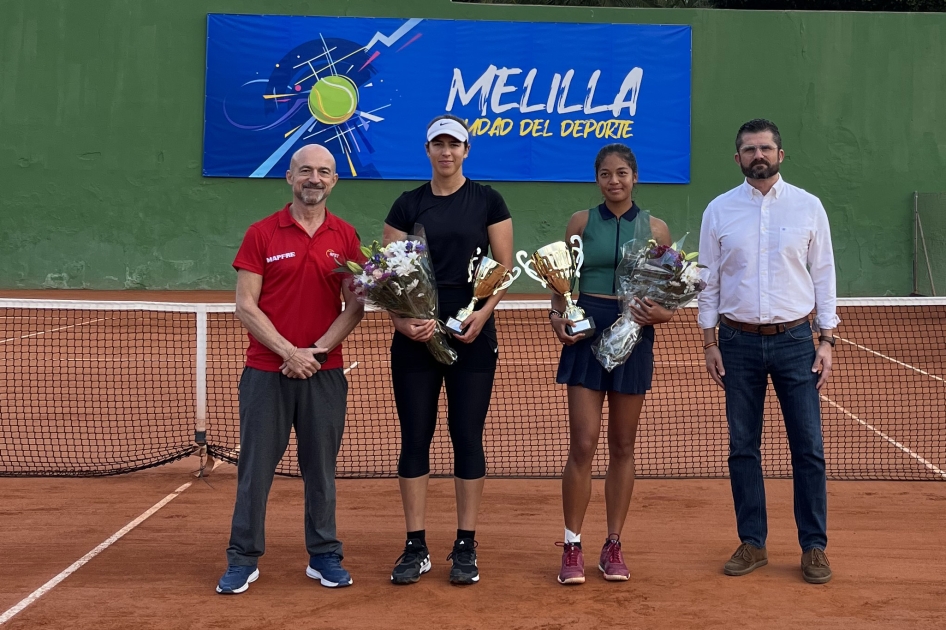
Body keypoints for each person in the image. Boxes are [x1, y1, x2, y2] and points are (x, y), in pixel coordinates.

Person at [216, 144, 365, 594]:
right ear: (289, 177)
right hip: (266, 371)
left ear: (334, 180)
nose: (313, 179)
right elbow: (246, 305)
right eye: (305, 171)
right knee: (255, 469)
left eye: (323, 172)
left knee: (321, 469)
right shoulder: (261, 233)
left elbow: (355, 306)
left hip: (324, 373)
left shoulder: (346, 236)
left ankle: (324, 555)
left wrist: (315, 352)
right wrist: (288, 353)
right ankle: (243, 557)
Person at [698, 119, 838, 584]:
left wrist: (827, 338)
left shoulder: (809, 207)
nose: (758, 155)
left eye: (766, 148)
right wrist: (710, 341)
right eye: (749, 149)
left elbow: (824, 276)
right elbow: (708, 281)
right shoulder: (718, 210)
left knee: (809, 449)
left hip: (797, 342)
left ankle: (814, 547)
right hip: (736, 344)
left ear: (781, 154)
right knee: (743, 448)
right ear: (736, 158)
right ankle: (753, 543)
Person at [382, 115, 514, 585]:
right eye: (438, 143)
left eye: (453, 144)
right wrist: (402, 321)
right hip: (415, 338)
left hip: (472, 334)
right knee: (415, 437)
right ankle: (415, 545)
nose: (446, 151)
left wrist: (481, 314)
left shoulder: (488, 200)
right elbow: (388, 278)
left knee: (466, 436)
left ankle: (465, 544)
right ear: (428, 149)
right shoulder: (407, 204)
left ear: (466, 150)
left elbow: (503, 266)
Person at [551, 143, 673, 585]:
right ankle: (571, 544)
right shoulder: (580, 223)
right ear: (597, 178)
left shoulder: (656, 229)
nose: (614, 181)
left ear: (634, 177)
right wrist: (556, 316)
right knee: (582, 444)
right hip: (586, 331)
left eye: (622, 173)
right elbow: (560, 285)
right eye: (606, 174)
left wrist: (659, 314)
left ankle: (613, 544)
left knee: (623, 446)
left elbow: (666, 297)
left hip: (633, 334)